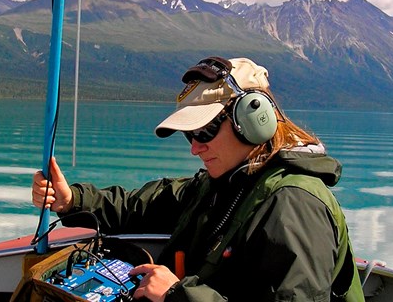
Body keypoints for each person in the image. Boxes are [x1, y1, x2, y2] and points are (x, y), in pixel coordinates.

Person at [32, 57, 365, 302]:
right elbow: (141, 204)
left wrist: (177, 295)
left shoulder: (294, 206)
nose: (195, 147)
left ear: (252, 119)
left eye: (205, 131)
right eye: (188, 135)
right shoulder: (223, 184)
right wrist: (72, 201)